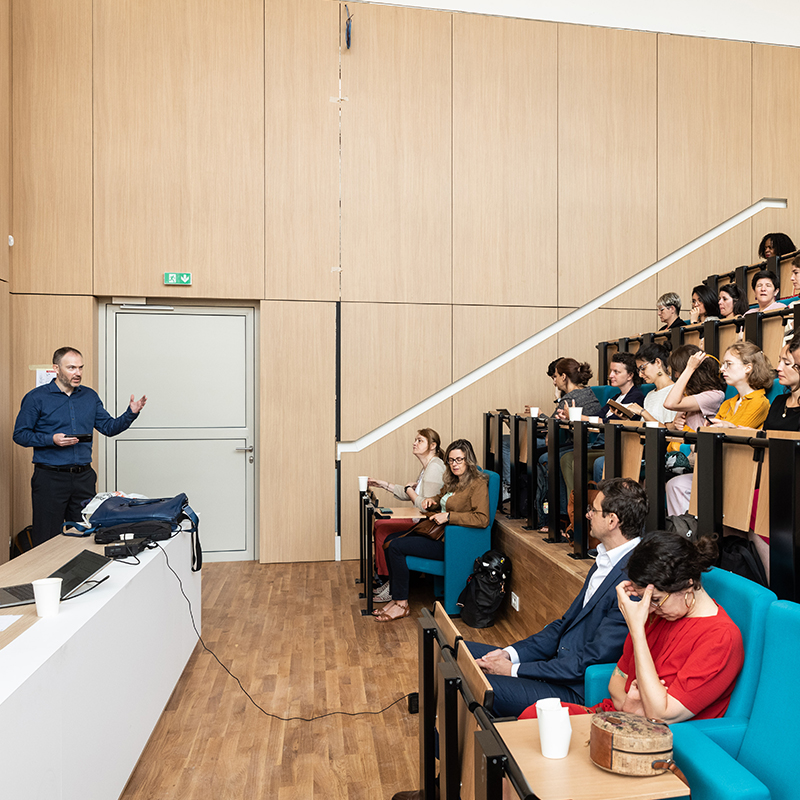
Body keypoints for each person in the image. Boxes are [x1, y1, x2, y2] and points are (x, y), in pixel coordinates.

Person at [464, 478, 648, 717]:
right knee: (461, 651)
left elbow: (590, 660)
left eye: (594, 510)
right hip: (557, 666)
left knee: (471, 681)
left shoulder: (634, 579)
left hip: (575, 687)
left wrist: (513, 670)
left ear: (612, 521)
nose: (588, 514)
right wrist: (509, 654)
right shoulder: (605, 558)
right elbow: (564, 625)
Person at [519, 530, 744, 723]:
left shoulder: (720, 637)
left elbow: (660, 715)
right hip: (617, 717)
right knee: (532, 717)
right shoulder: (662, 615)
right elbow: (616, 684)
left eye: (656, 599)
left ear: (688, 585)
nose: (651, 609)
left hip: (658, 740)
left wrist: (636, 631)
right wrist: (633, 705)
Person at [13, 347, 147, 547]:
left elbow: (109, 428)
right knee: (47, 539)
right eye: (72, 368)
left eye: (81, 368)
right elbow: (20, 435)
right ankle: (49, 577)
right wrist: (52, 440)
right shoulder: (36, 398)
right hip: (50, 479)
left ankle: (79, 578)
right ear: (56, 368)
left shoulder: (89, 397)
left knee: (85, 536)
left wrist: (130, 413)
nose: (78, 373)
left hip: (83, 478)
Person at [376, 439, 489, 623]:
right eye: (451, 460)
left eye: (459, 460)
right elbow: (443, 497)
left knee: (396, 546)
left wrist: (449, 516)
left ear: (468, 460)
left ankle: (401, 605)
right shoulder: (454, 481)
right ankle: (396, 599)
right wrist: (432, 501)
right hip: (438, 534)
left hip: (449, 542)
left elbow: (482, 519)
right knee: (389, 539)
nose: (454, 464)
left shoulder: (477, 484)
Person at [666, 343, 772, 515]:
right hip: (717, 463)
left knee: (678, 483)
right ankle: (686, 532)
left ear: (748, 368)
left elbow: (730, 438)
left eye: (728, 364)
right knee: (675, 485)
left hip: (738, 468)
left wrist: (720, 429)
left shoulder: (759, 401)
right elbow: (710, 432)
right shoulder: (728, 403)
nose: (722, 369)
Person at [369, 429, 446, 602]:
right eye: (415, 439)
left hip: (428, 526)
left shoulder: (435, 468)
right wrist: (382, 484)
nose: (414, 443)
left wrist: (409, 489)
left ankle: (390, 584)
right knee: (384, 530)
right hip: (421, 523)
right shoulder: (427, 466)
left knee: (387, 534)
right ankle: (390, 583)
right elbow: (409, 494)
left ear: (433, 446)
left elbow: (426, 505)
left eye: (420, 440)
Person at [560, 352, 644, 494]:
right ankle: (576, 506)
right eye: (611, 371)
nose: (611, 375)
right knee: (566, 458)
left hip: (618, 448)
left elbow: (610, 422)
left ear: (630, 375)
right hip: (602, 444)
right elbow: (597, 417)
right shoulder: (616, 397)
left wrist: (579, 417)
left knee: (574, 460)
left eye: (616, 372)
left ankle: (588, 507)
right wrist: (571, 417)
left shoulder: (636, 397)